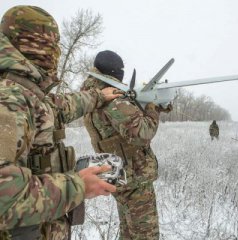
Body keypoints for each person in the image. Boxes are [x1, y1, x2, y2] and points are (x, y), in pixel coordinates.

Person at [0, 6, 121, 240]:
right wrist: (78, 186)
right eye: (55, 45)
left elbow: (62, 106)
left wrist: (99, 96)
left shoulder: (27, 93)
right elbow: (4, 197)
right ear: (41, 45)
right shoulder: (9, 100)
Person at [81, 50, 172, 240]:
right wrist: (152, 107)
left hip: (118, 174)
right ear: (114, 73)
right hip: (134, 177)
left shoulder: (91, 95)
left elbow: (121, 122)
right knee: (145, 235)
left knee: (129, 232)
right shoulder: (113, 99)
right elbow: (142, 133)